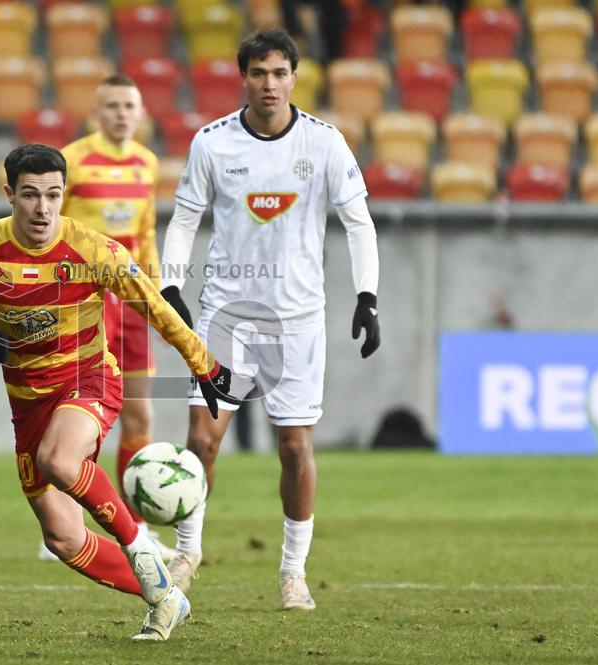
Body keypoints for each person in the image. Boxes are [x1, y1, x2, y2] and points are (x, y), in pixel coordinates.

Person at [0, 144, 238, 641]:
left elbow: (155, 307)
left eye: (53, 195)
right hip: (28, 402)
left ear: (66, 194)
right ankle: (166, 597)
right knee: (62, 538)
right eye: (30, 195)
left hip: (89, 380)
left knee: (59, 460)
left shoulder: (94, 249)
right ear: (9, 194)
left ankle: (140, 547)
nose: (43, 208)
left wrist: (204, 364)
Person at [157, 29, 381, 611]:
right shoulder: (212, 144)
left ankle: (292, 571)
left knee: (295, 447)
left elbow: (359, 223)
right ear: (244, 78)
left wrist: (368, 296)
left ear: (295, 77)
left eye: (280, 73)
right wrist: (171, 282)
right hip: (225, 314)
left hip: (297, 319)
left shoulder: (325, 143)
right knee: (202, 439)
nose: (270, 84)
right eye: (259, 73)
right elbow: (184, 219)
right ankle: (187, 552)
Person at [35, 74, 169, 561]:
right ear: (96, 112)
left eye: (129, 106)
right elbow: (48, 228)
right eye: (111, 105)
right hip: (82, 301)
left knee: (139, 412)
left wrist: (155, 294)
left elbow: (146, 233)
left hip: (130, 298)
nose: (121, 114)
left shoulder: (147, 163)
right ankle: (63, 525)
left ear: (141, 113)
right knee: (77, 413)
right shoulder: (70, 160)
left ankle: (137, 526)